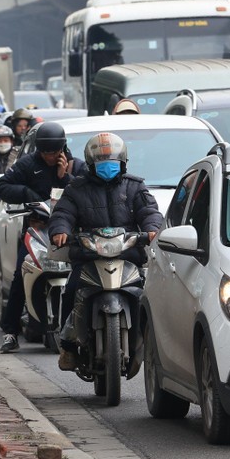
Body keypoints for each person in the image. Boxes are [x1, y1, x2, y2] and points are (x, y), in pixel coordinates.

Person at [49, 132, 163, 371]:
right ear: (90, 164)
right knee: (70, 292)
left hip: (128, 256)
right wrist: (60, 231)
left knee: (149, 295)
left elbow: (150, 212)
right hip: (88, 257)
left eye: (111, 160)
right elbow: (63, 213)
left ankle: (155, 345)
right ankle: (67, 347)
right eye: (101, 161)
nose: (107, 165)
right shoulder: (76, 188)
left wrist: (152, 230)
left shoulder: (134, 186)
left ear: (123, 161)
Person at [0, 122, 84, 353]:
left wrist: (65, 177)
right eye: (46, 153)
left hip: (69, 232)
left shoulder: (76, 166)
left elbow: (85, 192)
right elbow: (4, 185)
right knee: (19, 278)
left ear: (62, 148)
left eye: (54, 153)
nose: (50, 158)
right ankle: (11, 332)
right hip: (37, 229)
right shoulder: (27, 164)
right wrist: (26, 193)